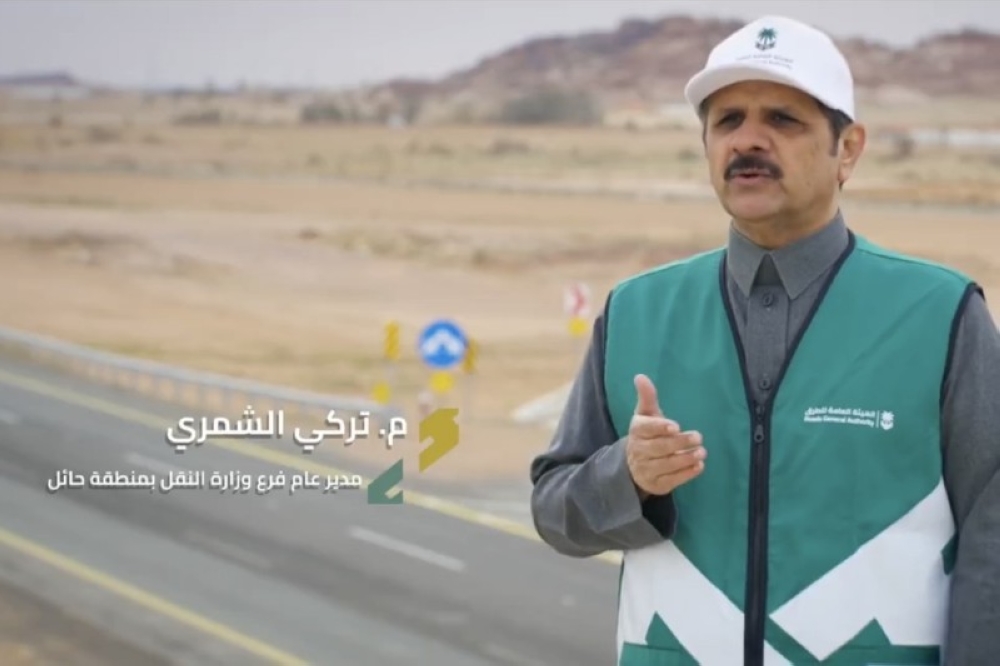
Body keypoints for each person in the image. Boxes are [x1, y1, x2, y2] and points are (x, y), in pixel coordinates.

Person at [529, 14, 1000, 666]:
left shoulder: (940, 314)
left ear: (848, 149)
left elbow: (992, 536)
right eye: (728, 121)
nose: (748, 139)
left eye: (783, 119)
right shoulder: (635, 312)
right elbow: (555, 514)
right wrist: (627, 478)